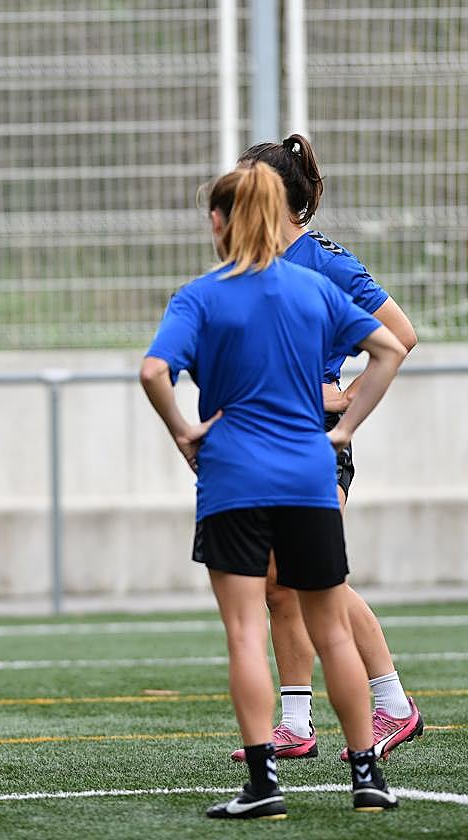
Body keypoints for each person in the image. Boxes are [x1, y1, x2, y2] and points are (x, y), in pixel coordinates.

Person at [141, 163, 406, 818]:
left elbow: (153, 370)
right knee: (333, 630)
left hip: (233, 478)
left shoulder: (200, 295)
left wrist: (184, 430)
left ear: (220, 221)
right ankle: (367, 776)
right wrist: (341, 431)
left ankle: (264, 786)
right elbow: (390, 348)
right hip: (310, 476)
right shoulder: (314, 288)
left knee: (242, 633)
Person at [226, 135, 421, 764]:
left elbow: (401, 335)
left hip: (316, 442)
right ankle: (296, 724)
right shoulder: (251, 264)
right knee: (279, 586)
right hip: (266, 439)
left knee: (316, 579)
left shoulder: (326, 262)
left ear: (278, 197)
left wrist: (346, 405)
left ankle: (393, 706)